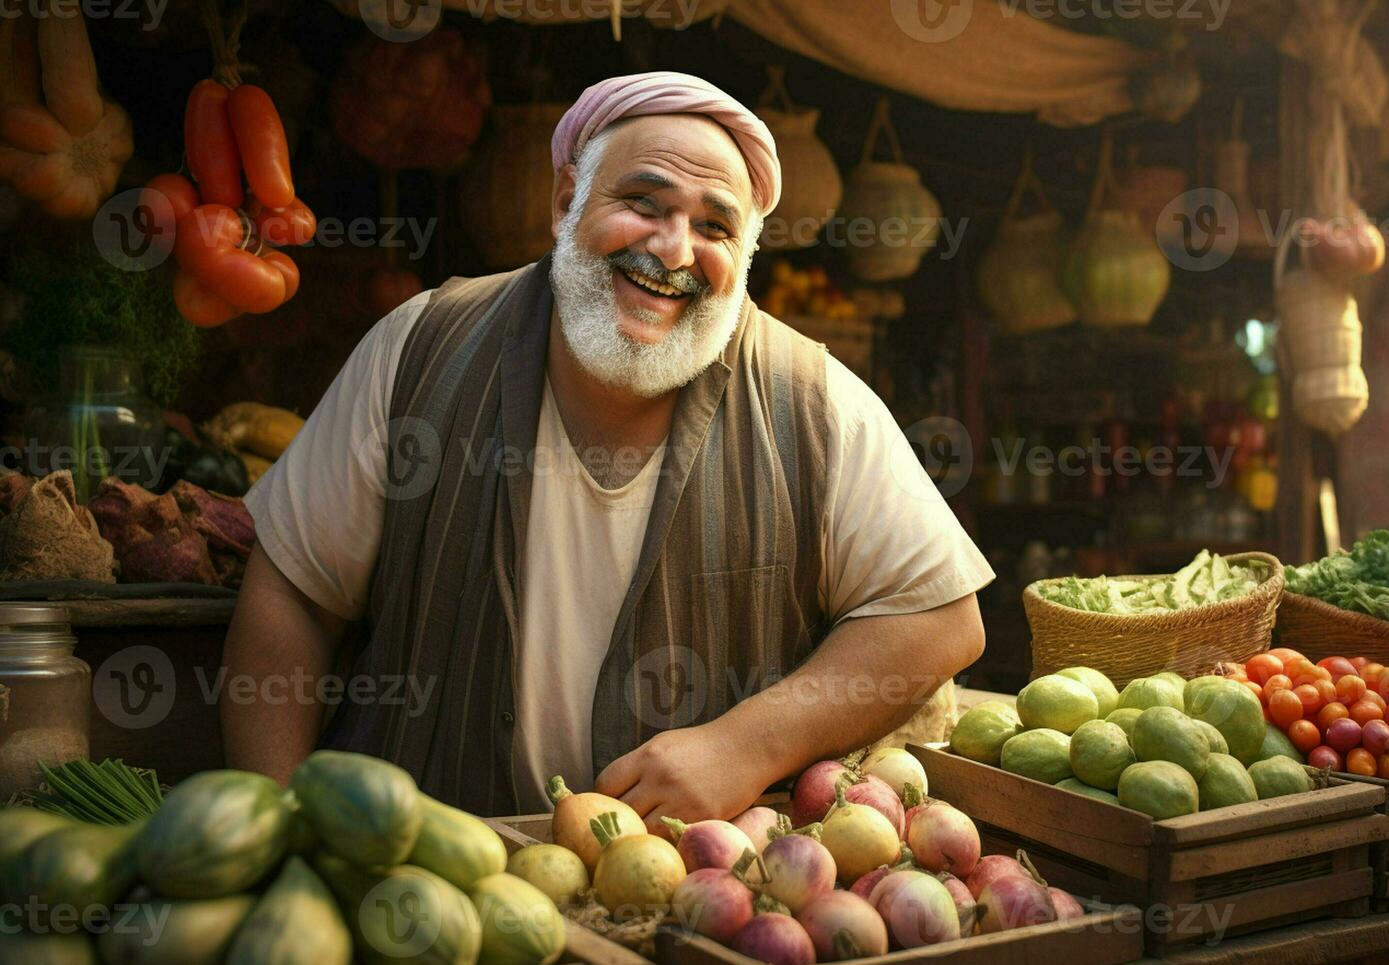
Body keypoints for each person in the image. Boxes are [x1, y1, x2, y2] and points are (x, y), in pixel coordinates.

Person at [222, 71, 992, 826]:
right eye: (642, 203)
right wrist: (279, 831)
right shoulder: (421, 347)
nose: (674, 249)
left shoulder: (813, 400)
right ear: (567, 202)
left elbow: (940, 618)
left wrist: (746, 746)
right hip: (416, 894)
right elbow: (293, 591)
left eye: (716, 227)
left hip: (686, 914)